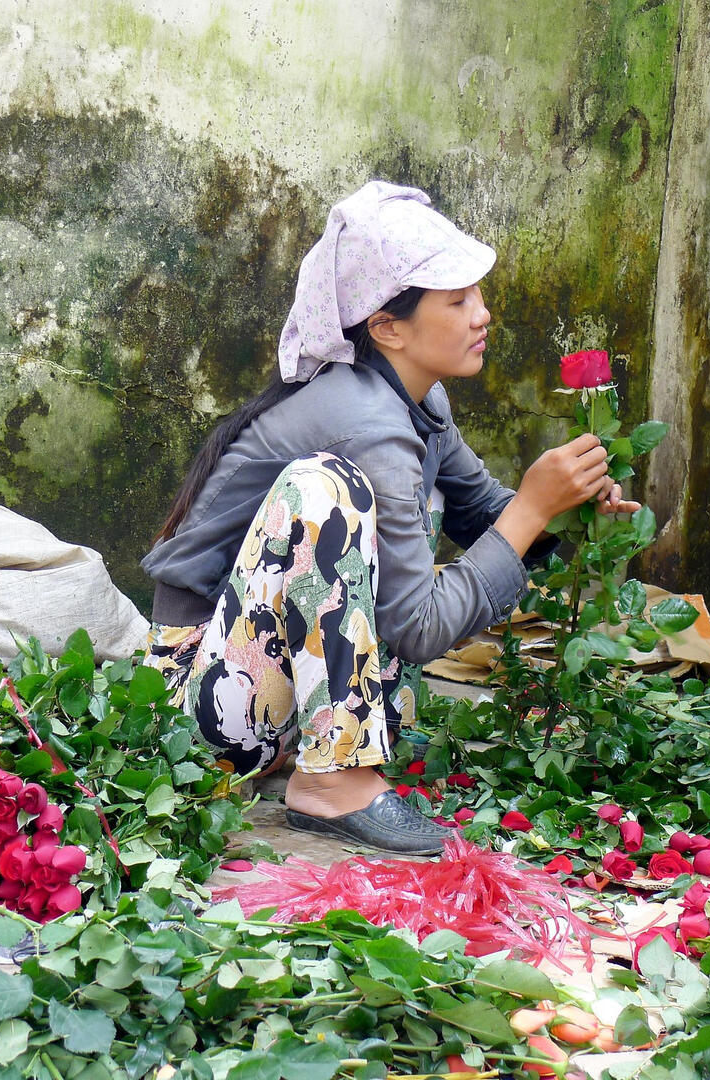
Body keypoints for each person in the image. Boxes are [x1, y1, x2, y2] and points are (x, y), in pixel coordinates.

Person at [141, 181, 638, 855]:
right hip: (203, 718)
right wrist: (530, 510)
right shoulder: (365, 422)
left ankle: (322, 756)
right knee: (324, 488)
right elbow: (421, 625)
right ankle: (334, 783)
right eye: (458, 300)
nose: (483, 314)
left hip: (279, 713)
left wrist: (567, 510)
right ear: (387, 327)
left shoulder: (416, 398)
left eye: (479, 295)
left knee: (405, 503)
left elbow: (487, 516)